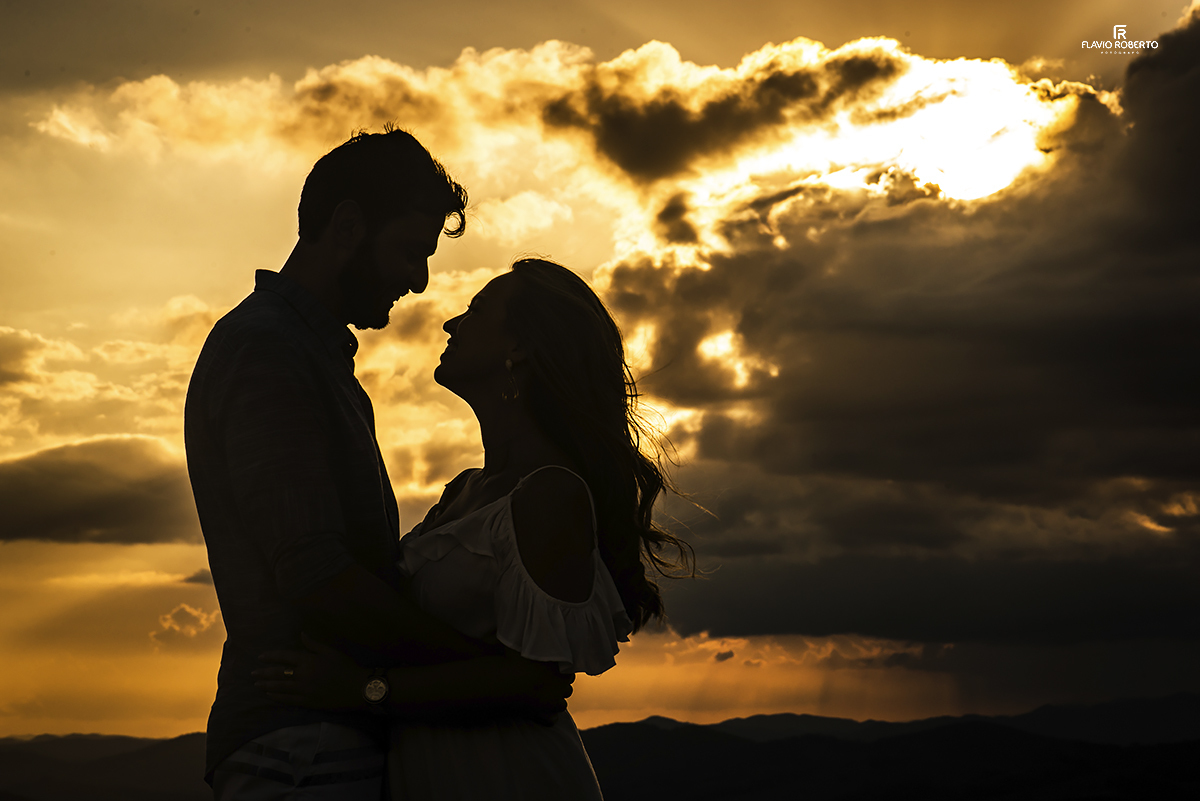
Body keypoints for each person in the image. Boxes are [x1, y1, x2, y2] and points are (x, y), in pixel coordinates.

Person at [185, 128, 572, 800]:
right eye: (409, 251)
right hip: (300, 742)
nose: (419, 280)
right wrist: (491, 671)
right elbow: (315, 573)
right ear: (347, 227)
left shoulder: (309, 354)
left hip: (318, 736)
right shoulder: (268, 351)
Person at [255, 258, 694, 799]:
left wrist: (362, 690)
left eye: (477, 309)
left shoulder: (549, 494)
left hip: (508, 776)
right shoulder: (464, 490)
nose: (450, 323)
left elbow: (537, 684)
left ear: (520, 347)